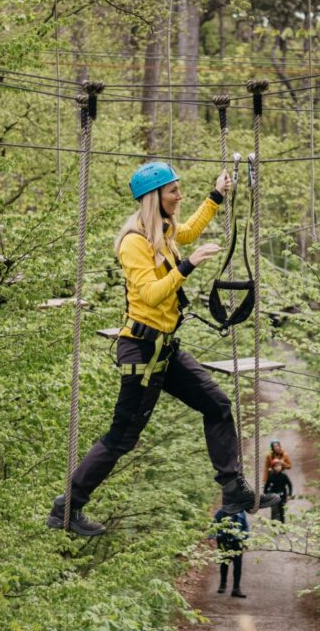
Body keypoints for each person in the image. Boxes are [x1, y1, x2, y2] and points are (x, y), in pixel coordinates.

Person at [47, 161, 279, 536]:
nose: (179, 195)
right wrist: (188, 266)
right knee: (122, 437)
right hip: (141, 351)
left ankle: (233, 489)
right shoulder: (134, 242)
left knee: (217, 404)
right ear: (155, 197)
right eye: (174, 190)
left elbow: (187, 232)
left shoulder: (163, 231)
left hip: (164, 350)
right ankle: (66, 508)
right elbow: (152, 295)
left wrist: (216, 195)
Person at [213, 507, 249, 598]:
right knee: (224, 563)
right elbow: (214, 524)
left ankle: (236, 588)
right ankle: (223, 584)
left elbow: (245, 527)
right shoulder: (221, 512)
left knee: (237, 566)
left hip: (237, 542)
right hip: (224, 541)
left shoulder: (241, 512)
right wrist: (211, 536)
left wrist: (245, 540)